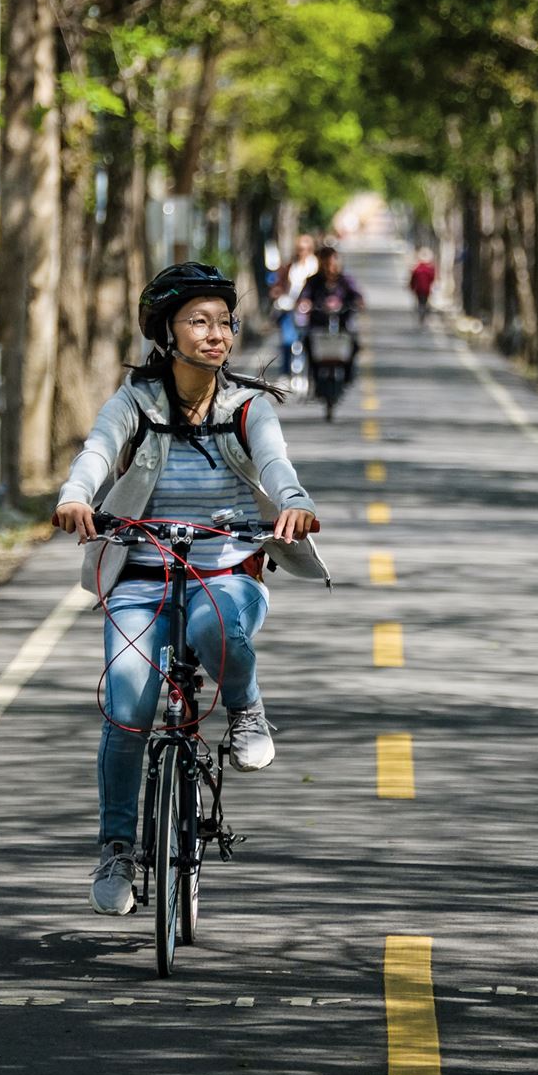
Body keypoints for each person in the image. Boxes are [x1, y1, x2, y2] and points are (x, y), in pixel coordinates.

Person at [54, 261, 323, 917]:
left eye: (223, 322)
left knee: (216, 625)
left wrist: (293, 504)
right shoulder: (135, 404)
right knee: (125, 707)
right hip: (140, 578)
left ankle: (248, 712)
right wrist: (75, 496)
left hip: (227, 570)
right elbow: (96, 450)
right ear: (165, 333)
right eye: (198, 322)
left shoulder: (246, 406)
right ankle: (117, 848)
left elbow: (276, 465)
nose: (216, 334)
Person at [296, 244, 364, 383]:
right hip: (318, 324)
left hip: (342, 323)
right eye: (326, 263)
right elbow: (304, 297)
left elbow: (356, 295)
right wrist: (305, 303)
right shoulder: (313, 281)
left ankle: (348, 374)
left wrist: (357, 302)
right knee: (307, 342)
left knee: (354, 342)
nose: (330, 267)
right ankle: (313, 376)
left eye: (332, 263)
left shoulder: (345, 280)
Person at [270, 233, 318, 377]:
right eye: (300, 248)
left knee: (305, 342)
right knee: (287, 341)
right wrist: (277, 291)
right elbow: (279, 283)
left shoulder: (316, 266)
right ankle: (285, 373)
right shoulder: (291, 265)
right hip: (288, 308)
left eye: (306, 248)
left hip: (308, 311)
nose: (302, 252)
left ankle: (305, 374)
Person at [409, 248, 437, 322]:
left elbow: (413, 279)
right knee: (424, 301)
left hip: (418, 289)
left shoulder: (416, 269)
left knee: (420, 301)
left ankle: (421, 312)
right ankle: (423, 312)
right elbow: (432, 279)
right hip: (426, 289)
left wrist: (411, 287)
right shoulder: (430, 269)